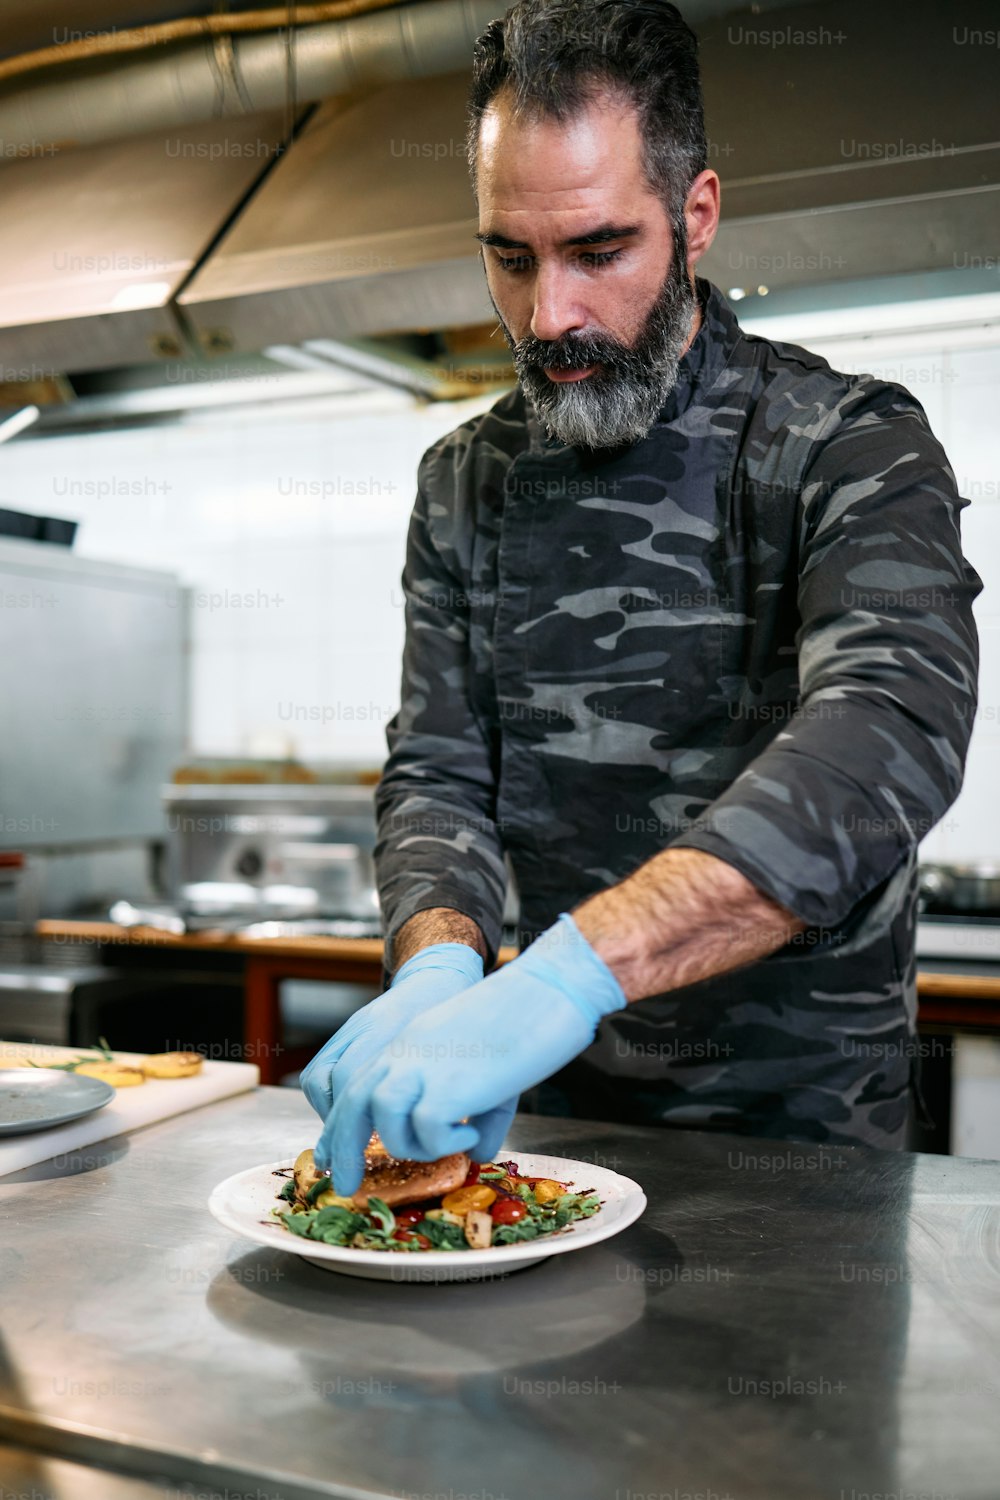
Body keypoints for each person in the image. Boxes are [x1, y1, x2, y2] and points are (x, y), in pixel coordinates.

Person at [302, 0, 981, 1192]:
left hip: (803, 1146)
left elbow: (889, 731)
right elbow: (439, 773)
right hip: (546, 1139)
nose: (549, 314)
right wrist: (438, 967)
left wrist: (571, 976)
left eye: (598, 251)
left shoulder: (846, 443)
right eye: (508, 257)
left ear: (696, 216)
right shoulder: (466, 479)